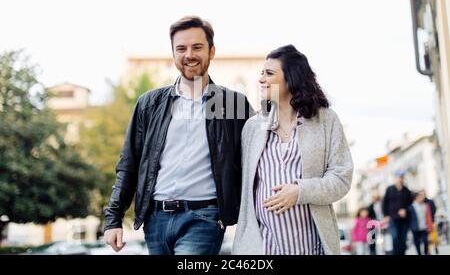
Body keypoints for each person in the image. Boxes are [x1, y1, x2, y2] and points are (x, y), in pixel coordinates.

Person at [103, 16, 254, 255]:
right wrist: (113, 219)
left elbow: (255, 160)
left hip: (204, 218)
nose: (189, 55)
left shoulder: (232, 103)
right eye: (181, 48)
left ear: (211, 51)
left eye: (197, 47)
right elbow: (128, 163)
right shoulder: (149, 104)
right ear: (173, 54)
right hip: (155, 221)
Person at [232, 45, 354, 255]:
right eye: (261, 73)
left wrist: (300, 191)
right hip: (264, 249)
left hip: (313, 247)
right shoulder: (252, 128)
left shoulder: (325, 120)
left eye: (269, 73)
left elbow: (341, 179)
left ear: (291, 79)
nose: (261, 79)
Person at [382, 169, 413, 255]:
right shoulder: (390, 189)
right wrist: (386, 215)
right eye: (399, 176)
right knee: (395, 238)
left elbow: (410, 205)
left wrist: (405, 210)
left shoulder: (407, 190)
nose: (400, 178)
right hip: (393, 218)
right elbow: (385, 203)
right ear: (395, 178)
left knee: (403, 239)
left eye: (402, 177)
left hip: (404, 219)